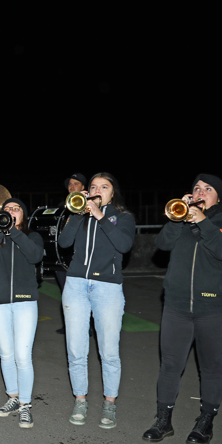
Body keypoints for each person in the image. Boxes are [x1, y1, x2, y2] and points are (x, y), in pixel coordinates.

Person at [143, 174, 222, 444]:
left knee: (212, 367)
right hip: (176, 306)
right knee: (170, 365)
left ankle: (206, 421)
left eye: (208, 189)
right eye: (196, 188)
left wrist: (203, 222)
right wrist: (175, 218)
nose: (200, 192)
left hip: (213, 307)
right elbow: (162, 245)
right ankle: (163, 420)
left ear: (219, 196)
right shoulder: (180, 219)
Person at [59, 172, 135, 429]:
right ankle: (80, 400)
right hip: (76, 285)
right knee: (76, 349)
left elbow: (123, 244)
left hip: (107, 288)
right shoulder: (80, 217)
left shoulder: (122, 218)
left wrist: (101, 216)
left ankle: (109, 404)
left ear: (113, 193)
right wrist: (75, 214)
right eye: (93, 186)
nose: (97, 190)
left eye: (104, 187)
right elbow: (64, 242)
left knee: (109, 351)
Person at [0, 198, 44, 428]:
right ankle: (13, 398)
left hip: (25, 302)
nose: (10, 211)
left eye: (15, 209)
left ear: (23, 215)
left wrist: (15, 232)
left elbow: (35, 256)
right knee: (6, 354)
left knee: (22, 356)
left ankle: (26, 405)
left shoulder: (31, 236)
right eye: (6, 209)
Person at [54, 173, 87, 335]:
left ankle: (89, 327)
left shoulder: (90, 205)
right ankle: (69, 325)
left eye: (76, 184)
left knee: (84, 294)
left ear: (83, 188)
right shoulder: (63, 206)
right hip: (63, 256)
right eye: (70, 184)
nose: (72, 187)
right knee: (66, 293)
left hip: (79, 257)